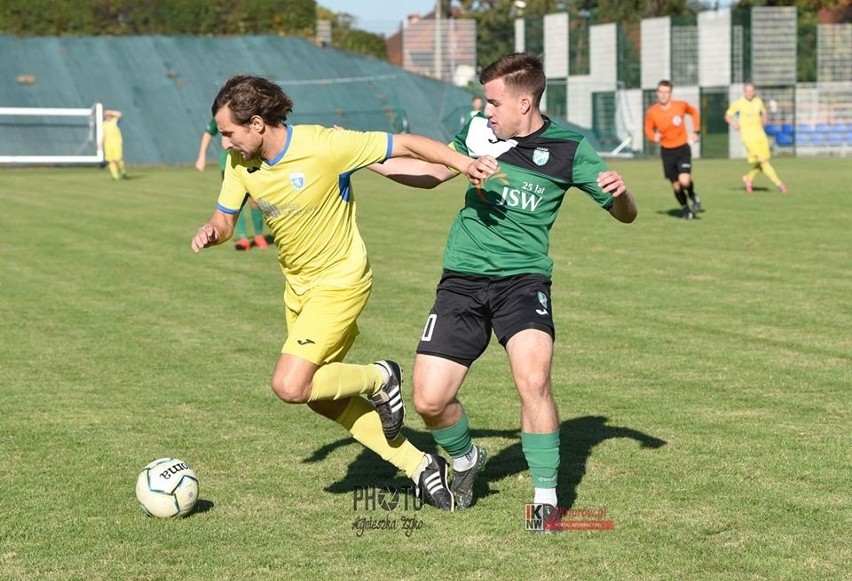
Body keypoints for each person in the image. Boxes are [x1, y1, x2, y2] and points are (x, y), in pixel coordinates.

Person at [190, 74, 494, 511]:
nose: (224, 143)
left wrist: (465, 165)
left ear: (257, 124)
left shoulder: (324, 145)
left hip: (341, 280)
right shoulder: (241, 165)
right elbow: (224, 219)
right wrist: (211, 232)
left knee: (291, 385)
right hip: (298, 290)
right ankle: (419, 465)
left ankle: (380, 376)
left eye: (228, 133)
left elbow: (406, 143)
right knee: (322, 398)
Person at [369, 52, 637, 514]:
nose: (486, 110)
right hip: (462, 280)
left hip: (523, 281)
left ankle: (545, 497)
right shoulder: (477, 132)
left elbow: (625, 214)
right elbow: (432, 172)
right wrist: (363, 160)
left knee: (533, 381)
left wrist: (623, 194)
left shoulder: (570, 147)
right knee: (430, 401)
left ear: (525, 103)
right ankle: (466, 457)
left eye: (494, 102)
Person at [196, 118, 269, 250]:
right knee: (234, 202)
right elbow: (208, 133)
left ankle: (259, 235)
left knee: (255, 200)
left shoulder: (246, 114)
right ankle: (243, 238)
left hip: (249, 161)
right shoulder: (221, 115)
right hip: (229, 165)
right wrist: (202, 156)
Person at [644, 80, 702, 219]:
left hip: (682, 149)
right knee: (676, 186)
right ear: (657, 93)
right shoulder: (652, 112)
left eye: (667, 92)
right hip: (667, 152)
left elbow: (693, 111)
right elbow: (648, 129)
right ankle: (686, 209)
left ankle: (693, 194)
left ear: (671, 93)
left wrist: (696, 131)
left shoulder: (680, 106)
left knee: (684, 181)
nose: (663, 95)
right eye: (661, 92)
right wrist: (653, 136)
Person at [724, 83, 788, 194]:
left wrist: (764, 119)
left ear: (754, 92)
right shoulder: (739, 103)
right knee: (763, 162)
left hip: (761, 136)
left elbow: (763, 112)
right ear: (744, 92)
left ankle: (749, 178)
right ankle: (780, 185)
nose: (749, 93)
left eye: (751, 91)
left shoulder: (758, 101)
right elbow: (727, 115)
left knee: (765, 160)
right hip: (748, 137)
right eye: (747, 91)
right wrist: (734, 124)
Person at [102, 108, 127, 180]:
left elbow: (120, 114)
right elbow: (103, 134)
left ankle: (123, 171)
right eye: (106, 115)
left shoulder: (115, 121)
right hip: (108, 144)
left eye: (109, 115)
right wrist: (101, 142)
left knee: (118, 159)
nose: (108, 117)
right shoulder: (104, 124)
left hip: (116, 143)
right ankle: (115, 176)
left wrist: (111, 112)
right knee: (110, 160)